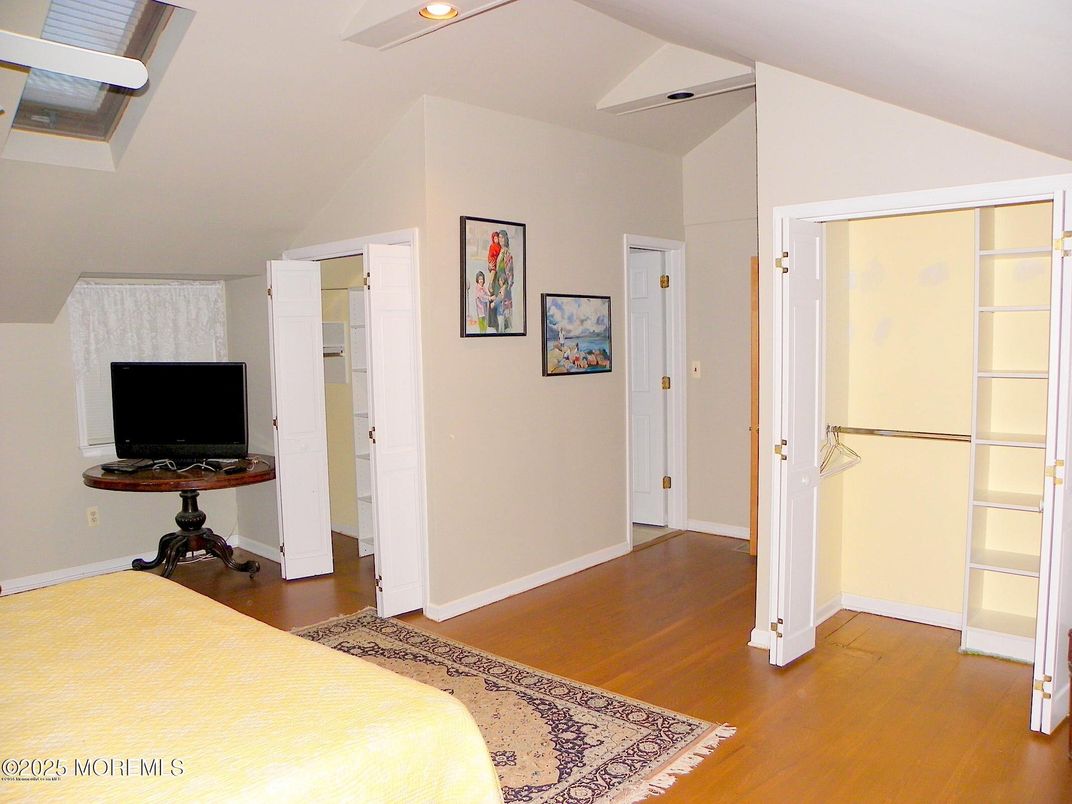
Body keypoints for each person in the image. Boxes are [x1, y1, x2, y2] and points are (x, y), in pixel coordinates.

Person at [493, 230, 513, 332]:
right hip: (498, 283)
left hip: (503, 284)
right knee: (498, 308)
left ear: (506, 239)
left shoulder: (507, 252)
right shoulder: (499, 251)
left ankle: (503, 331)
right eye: (499, 237)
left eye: (502, 237)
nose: (501, 239)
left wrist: (506, 285)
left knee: (503, 308)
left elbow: (509, 271)